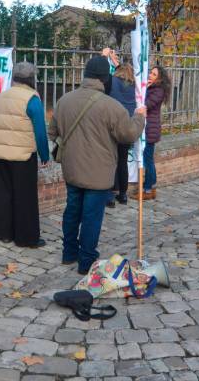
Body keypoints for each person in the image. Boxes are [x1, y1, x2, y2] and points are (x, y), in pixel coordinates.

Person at [49, 56, 146, 274]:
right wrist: (140, 118)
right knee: (91, 216)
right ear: (105, 79)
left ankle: (68, 253)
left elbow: (53, 132)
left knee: (72, 210)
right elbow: (128, 135)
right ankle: (86, 261)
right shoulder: (112, 107)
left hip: (72, 168)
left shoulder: (64, 100)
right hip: (99, 173)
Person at [0, 62, 50, 248]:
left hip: (2, 154)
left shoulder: (1, 96)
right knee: (25, 198)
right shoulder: (32, 99)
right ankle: (26, 237)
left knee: (3, 194)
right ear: (32, 78)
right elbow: (40, 131)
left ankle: (3, 232)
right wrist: (44, 155)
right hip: (23, 156)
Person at [107, 62, 137, 207]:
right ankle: (123, 195)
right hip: (127, 126)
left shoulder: (113, 82)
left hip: (112, 126)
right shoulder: (134, 86)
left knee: (111, 161)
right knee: (123, 161)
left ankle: (110, 196)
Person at [141, 65, 171, 200]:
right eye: (150, 73)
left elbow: (146, 104)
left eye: (153, 74)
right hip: (148, 128)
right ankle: (150, 188)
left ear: (159, 78)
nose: (150, 76)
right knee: (148, 159)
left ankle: (148, 190)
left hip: (150, 130)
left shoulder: (158, 90)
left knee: (148, 161)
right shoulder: (154, 88)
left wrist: (145, 89)